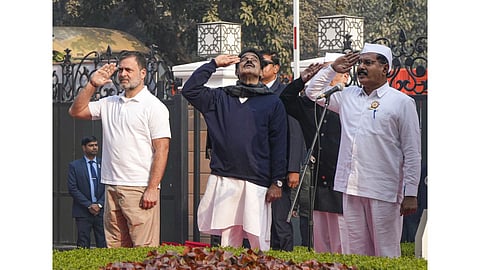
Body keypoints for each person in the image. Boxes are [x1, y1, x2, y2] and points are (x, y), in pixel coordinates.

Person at [304, 43, 422, 257]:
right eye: (359, 63)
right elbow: (312, 93)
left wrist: (411, 193)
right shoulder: (347, 96)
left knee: (385, 253)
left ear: (385, 68)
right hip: (351, 187)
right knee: (355, 253)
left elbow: (412, 151)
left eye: (368, 63)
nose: (361, 68)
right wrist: (332, 69)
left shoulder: (402, 102)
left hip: (383, 189)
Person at [181, 48, 288, 251]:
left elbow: (279, 144)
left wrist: (277, 182)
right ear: (237, 71)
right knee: (228, 242)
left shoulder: (273, 102)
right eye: (244, 60)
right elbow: (190, 90)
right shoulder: (221, 97)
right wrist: (213, 64)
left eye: (254, 60)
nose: (248, 61)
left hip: (258, 181)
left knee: (258, 241)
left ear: (261, 70)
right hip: (226, 178)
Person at [68, 51, 171, 248]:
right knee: (115, 249)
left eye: (128, 70)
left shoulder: (154, 107)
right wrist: (93, 84)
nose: (123, 74)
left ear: (142, 73)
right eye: (121, 70)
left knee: (143, 251)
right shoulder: (109, 103)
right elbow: (76, 111)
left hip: (139, 187)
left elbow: (162, 150)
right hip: (111, 186)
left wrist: (152, 188)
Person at [280, 53, 347, 254]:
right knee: (320, 236)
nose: (326, 74)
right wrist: (302, 81)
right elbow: (285, 98)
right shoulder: (307, 103)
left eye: (333, 70)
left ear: (345, 76)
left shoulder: (350, 100)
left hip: (344, 177)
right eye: (326, 69)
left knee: (342, 237)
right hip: (319, 175)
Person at [259, 50, 302, 252]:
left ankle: (284, 261)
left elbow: (294, 131)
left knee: (279, 222)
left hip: (280, 169)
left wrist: (293, 168)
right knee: (256, 222)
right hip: (255, 167)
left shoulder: (284, 93)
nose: (259, 67)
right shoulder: (251, 91)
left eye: (264, 63)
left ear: (275, 68)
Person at [67, 135, 107, 248]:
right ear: (84, 148)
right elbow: (72, 188)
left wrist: (99, 204)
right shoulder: (74, 166)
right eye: (91, 145)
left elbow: (108, 185)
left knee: (103, 242)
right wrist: (89, 205)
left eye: (96, 145)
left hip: (101, 211)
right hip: (83, 211)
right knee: (83, 243)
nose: (94, 148)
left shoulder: (104, 164)